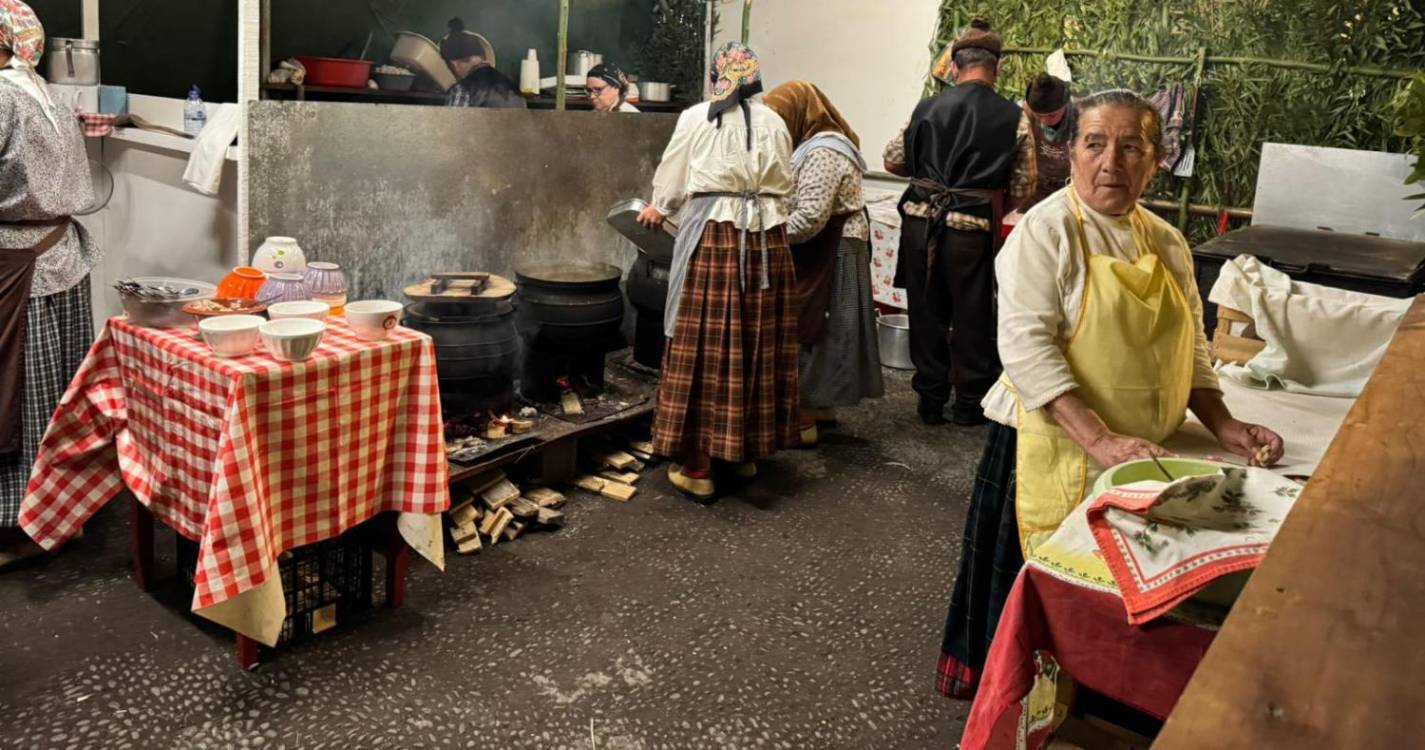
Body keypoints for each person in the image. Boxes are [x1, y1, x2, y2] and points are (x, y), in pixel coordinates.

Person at [934, 89, 1286, 699]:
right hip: (1052, 442)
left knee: (1120, 590)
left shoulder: (1167, 241)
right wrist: (1095, 437)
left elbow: (1191, 345)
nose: (1111, 163)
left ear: (1156, 161)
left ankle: (1095, 700)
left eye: (1132, 147)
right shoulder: (1046, 232)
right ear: (1070, 153)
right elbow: (1026, 350)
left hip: (1144, 450)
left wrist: (1223, 422)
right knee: (1040, 586)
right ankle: (1015, 698)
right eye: (1095, 144)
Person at [635, 43, 797, 501]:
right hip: (768, 241)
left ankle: (699, 466)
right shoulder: (776, 121)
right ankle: (740, 453)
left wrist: (658, 205)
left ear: (717, 76)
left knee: (705, 344)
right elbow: (789, 184)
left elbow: (673, 173)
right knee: (753, 342)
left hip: (717, 237)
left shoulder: (698, 116)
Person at [883, 17, 1035, 428]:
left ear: (954, 64)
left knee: (926, 308)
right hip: (972, 227)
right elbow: (1024, 184)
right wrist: (985, 200)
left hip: (919, 220)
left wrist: (930, 177)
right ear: (997, 67)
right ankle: (969, 404)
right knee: (972, 314)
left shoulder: (926, 107)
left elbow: (892, 158)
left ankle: (930, 401)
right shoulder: (1014, 118)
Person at [0, 0, 99, 562]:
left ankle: (22, 526)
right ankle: (67, 511)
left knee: (17, 396)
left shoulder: (2, 97)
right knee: (61, 390)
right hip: (62, 255)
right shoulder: (54, 99)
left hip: (17, 267)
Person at [763, 81, 883, 445]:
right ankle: (821, 406)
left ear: (799, 114)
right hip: (828, 247)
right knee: (828, 330)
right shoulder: (811, 147)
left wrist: (766, 235)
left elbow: (812, 217)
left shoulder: (823, 151)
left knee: (816, 327)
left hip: (834, 250)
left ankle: (804, 421)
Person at [440, 18, 525, 109]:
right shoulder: (513, 89)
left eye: (449, 67)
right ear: (482, 56)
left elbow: (452, 123)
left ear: (454, 64)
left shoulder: (461, 90)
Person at [1020, 73, 1075, 210]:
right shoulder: (1027, 112)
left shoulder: (1080, 115)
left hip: (1069, 188)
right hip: (1037, 186)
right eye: (1039, 116)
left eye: (1051, 115)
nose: (1044, 121)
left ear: (1065, 105)